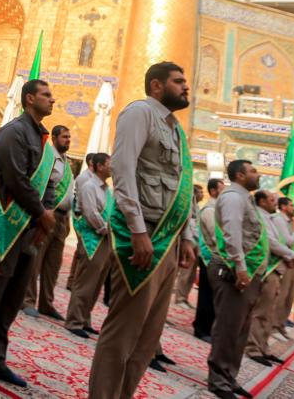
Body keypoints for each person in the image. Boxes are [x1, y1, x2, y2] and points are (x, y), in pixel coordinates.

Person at [88, 62, 197, 399]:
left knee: (147, 339)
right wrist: (137, 231)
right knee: (123, 333)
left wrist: (188, 236)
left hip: (168, 241)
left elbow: (183, 185)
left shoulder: (175, 128)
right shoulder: (140, 113)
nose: (185, 87)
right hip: (145, 236)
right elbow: (123, 170)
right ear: (156, 86)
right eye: (178, 81)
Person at [0, 79, 63, 397]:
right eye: (46, 95)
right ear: (30, 99)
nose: (52, 100)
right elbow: (16, 178)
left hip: (29, 232)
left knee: (12, 300)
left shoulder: (43, 139)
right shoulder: (13, 132)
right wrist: (41, 212)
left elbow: (50, 184)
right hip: (7, 226)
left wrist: (46, 210)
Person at [206, 159, 265, 399]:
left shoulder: (244, 198)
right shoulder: (233, 197)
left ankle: (229, 377)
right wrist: (240, 268)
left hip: (245, 273)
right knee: (228, 328)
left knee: (240, 330)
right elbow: (231, 233)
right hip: (232, 272)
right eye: (253, 171)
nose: (257, 174)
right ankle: (218, 381)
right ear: (240, 175)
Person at [22, 123, 74, 320]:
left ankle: (47, 303)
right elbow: (43, 184)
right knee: (37, 258)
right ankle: (27, 300)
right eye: (65, 137)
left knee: (53, 264)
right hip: (49, 213)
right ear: (54, 138)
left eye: (69, 137)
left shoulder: (66, 162)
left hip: (63, 218)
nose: (68, 140)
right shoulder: (48, 157)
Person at [244, 190, 294, 366]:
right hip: (267, 269)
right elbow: (272, 243)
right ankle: (252, 348)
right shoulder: (261, 217)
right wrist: (290, 255)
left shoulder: (269, 217)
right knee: (260, 312)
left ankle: (263, 347)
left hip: (276, 269)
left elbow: (279, 242)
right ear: (261, 202)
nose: (275, 203)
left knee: (269, 312)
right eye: (271, 200)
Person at [65, 151, 112, 337]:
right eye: (109, 163)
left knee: (96, 283)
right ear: (100, 166)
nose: (112, 167)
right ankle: (74, 321)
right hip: (93, 238)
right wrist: (105, 229)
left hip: (105, 241)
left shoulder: (106, 189)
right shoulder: (89, 186)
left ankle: (85, 319)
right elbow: (91, 213)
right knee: (85, 282)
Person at [192, 177, 224, 342]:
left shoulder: (218, 209)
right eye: (222, 188)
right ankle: (201, 329)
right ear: (213, 191)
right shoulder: (210, 210)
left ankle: (207, 328)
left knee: (213, 295)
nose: (224, 192)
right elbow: (215, 236)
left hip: (216, 257)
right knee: (206, 294)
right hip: (210, 257)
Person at [270, 196, 294, 337]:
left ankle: (281, 325)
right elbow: (287, 241)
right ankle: (274, 326)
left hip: (293, 264)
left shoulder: (290, 222)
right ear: (283, 207)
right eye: (291, 205)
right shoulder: (278, 220)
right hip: (284, 262)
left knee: (289, 298)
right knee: (281, 297)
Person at [66, 160, 97, 291]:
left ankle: (74, 280)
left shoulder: (92, 179)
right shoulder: (85, 179)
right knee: (80, 252)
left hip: (84, 218)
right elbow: (84, 201)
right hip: (82, 219)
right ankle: (72, 281)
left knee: (81, 252)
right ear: (93, 163)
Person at [173, 183, 204, 306]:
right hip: (189, 241)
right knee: (185, 272)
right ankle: (179, 298)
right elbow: (190, 224)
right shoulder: (188, 204)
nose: (202, 194)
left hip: (196, 241)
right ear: (194, 193)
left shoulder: (197, 206)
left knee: (191, 273)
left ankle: (184, 297)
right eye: (200, 192)